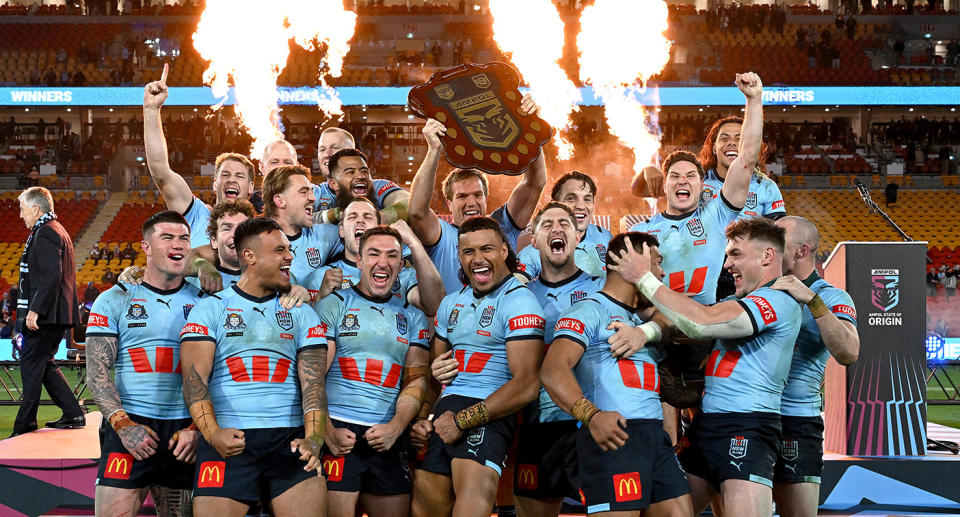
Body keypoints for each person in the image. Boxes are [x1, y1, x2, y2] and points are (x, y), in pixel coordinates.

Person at [609, 218, 802, 517]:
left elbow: (701, 322)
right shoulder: (737, 301)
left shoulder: (777, 301)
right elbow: (680, 321)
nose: (727, 264)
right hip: (706, 426)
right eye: (727, 255)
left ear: (767, 256)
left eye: (736, 254)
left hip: (748, 428)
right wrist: (644, 330)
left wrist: (645, 278)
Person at [180, 217, 329, 516]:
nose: (289, 256)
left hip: (290, 441)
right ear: (249, 256)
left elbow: (313, 385)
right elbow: (195, 384)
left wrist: (314, 439)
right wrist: (212, 435)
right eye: (279, 250)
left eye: (289, 250)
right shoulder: (211, 308)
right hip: (228, 439)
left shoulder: (301, 312)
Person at [541, 232, 693, 516]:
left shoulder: (640, 320)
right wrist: (592, 416)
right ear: (630, 262)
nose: (661, 272)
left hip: (654, 438)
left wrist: (647, 330)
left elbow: (676, 318)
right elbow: (552, 371)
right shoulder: (587, 310)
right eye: (657, 263)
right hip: (614, 435)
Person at [411, 217, 545, 517]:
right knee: (424, 509)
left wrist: (462, 421)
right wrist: (423, 415)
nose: (478, 259)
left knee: (470, 508)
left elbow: (526, 385)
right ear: (459, 256)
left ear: (504, 251)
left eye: (487, 249)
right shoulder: (450, 304)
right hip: (445, 414)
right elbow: (437, 374)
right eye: (468, 251)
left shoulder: (520, 301)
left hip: (488, 411)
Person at [86, 211, 204, 516]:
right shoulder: (113, 299)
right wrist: (124, 427)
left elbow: (218, 374)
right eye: (167, 237)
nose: (177, 244)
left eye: (184, 238)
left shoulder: (206, 302)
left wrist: (197, 427)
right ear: (146, 247)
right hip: (131, 423)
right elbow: (97, 375)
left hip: (185, 432)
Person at [314, 225, 431, 517]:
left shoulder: (413, 316)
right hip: (339, 429)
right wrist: (325, 431)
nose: (383, 262)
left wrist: (396, 427)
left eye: (392, 255)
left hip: (388, 434)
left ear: (401, 265)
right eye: (374, 254)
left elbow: (416, 380)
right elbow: (312, 376)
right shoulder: (332, 306)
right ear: (359, 261)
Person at [627, 72, 763, 304]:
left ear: (701, 186)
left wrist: (754, 100)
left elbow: (746, 160)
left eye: (691, 176)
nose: (682, 181)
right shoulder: (641, 232)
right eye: (675, 176)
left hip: (706, 325)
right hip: (656, 327)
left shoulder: (716, 216)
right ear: (664, 185)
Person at [409, 95, 546, 293]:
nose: (471, 202)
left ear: (486, 197)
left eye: (477, 195)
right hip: (456, 322)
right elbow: (416, 212)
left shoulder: (502, 226)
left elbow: (535, 182)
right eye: (462, 196)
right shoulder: (442, 236)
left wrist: (529, 126)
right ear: (449, 203)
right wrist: (433, 150)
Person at [770, 216, 860, 517]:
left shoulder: (832, 297)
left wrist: (812, 300)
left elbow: (848, 352)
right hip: (750, 415)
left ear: (801, 250)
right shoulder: (763, 290)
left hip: (796, 419)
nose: (768, 248)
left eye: (778, 241)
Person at [143, 64, 259, 248]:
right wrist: (151, 110)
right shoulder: (196, 214)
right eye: (225, 175)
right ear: (214, 183)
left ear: (251, 186)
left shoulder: (262, 231)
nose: (231, 180)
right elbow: (160, 173)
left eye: (239, 176)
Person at [11, 187, 85, 437]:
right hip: (56, 314)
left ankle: (24, 426)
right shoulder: (56, 230)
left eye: (22, 209)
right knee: (43, 364)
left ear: (35, 208)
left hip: (48, 315)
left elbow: (51, 277)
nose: (21, 215)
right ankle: (73, 413)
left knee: (31, 365)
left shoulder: (45, 234)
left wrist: (34, 311)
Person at [310, 197, 445, 317]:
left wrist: (413, 242)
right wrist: (321, 297)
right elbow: (306, 333)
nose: (360, 221)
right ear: (341, 231)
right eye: (352, 217)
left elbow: (435, 306)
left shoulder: (402, 274)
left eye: (368, 217)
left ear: (379, 227)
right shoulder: (321, 277)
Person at [517, 171, 612, 279]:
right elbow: (516, 289)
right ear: (554, 204)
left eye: (587, 199)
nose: (581, 206)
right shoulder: (534, 252)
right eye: (571, 198)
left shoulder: (605, 237)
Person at [260, 164, 342, 287]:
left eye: (312, 191)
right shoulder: (255, 242)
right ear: (280, 200)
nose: (313, 198)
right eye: (304, 192)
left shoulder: (327, 234)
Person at [313, 128, 409, 225]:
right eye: (322, 149)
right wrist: (335, 214)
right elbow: (298, 218)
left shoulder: (378, 187)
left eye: (335, 148)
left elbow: (410, 204)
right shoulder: (314, 192)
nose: (327, 154)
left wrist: (374, 219)